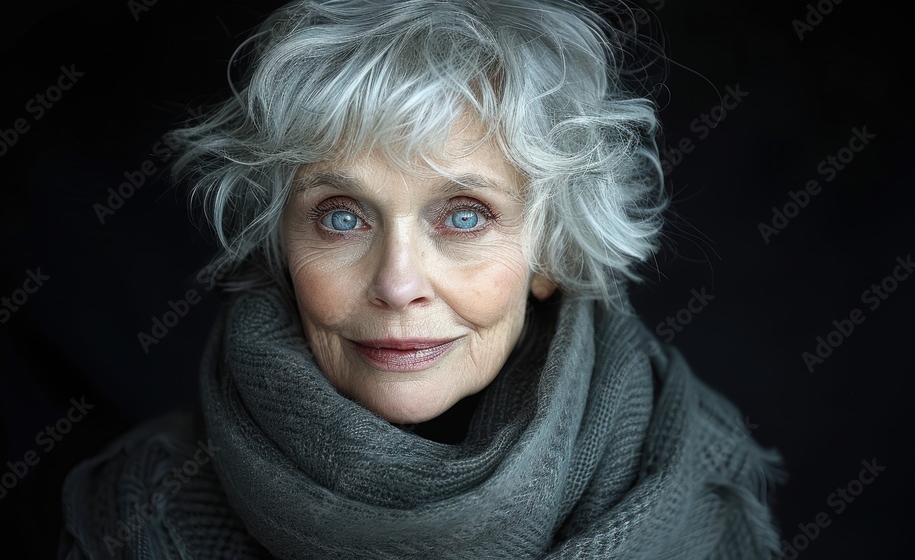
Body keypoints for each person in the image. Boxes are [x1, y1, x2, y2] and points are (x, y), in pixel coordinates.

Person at [59, 0, 783, 557]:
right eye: (343, 218)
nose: (398, 284)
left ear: (551, 253)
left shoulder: (694, 477)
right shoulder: (146, 507)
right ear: (279, 242)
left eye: (464, 217)